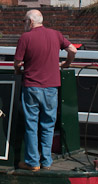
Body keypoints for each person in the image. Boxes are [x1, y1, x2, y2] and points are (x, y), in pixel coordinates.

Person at [14, 9, 77, 171]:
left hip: (32, 87)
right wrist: (67, 64)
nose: (24, 24)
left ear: (31, 22)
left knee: (31, 125)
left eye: (24, 21)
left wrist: (18, 70)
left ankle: (33, 162)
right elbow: (73, 50)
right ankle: (47, 161)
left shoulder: (25, 38)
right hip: (51, 88)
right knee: (48, 125)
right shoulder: (56, 34)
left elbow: (17, 62)